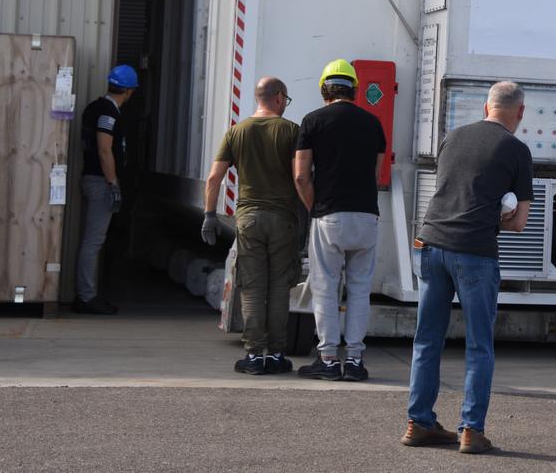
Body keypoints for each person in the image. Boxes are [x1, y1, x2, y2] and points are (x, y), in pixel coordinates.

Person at [402, 81, 533, 455]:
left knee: (427, 340)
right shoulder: (517, 150)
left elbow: (449, 189)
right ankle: (471, 431)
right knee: (479, 345)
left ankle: (419, 422)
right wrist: (498, 218)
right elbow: (521, 223)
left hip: (431, 245)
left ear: (485, 107)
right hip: (474, 252)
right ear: (519, 112)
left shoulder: (452, 137)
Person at [201, 77, 305, 376]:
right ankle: (275, 354)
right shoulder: (290, 131)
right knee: (278, 288)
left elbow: (213, 178)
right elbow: (301, 177)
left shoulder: (236, 132)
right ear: (278, 97)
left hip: (248, 220)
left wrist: (209, 215)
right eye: (286, 99)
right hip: (283, 219)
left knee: (252, 288)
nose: (286, 104)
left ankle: (253, 354)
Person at [293, 59, 388, 382]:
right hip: (366, 215)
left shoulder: (313, 121)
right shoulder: (373, 124)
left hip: (329, 214)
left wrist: (314, 207)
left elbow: (301, 177)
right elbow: (375, 176)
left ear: (324, 90)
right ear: (355, 89)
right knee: (360, 290)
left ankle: (330, 359)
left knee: (325, 287)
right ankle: (356, 360)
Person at [73, 64, 138, 315]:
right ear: (129, 91)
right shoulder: (107, 112)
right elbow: (104, 148)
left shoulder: (97, 108)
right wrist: (113, 183)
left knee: (93, 240)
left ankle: (86, 294)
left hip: (95, 180)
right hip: (101, 182)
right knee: (94, 241)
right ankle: (86, 297)